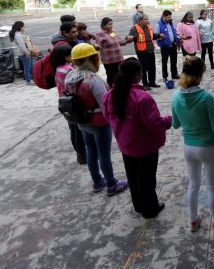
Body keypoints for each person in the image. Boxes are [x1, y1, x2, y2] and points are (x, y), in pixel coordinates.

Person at [102, 58, 172, 219]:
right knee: (147, 178)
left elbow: (107, 116)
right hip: (145, 146)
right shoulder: (142, 97)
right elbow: (155, 123)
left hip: (126, 145)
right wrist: (170, 119)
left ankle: (138, 206)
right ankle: (150, 209)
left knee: (133, 177)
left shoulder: (111, 94)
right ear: (136, 75)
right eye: (141, 72)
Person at [171, 56, 214, 234]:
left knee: (193, 184)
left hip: (189, 148)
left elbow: (175, 124)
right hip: (209, 147)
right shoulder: (206, 97)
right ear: (200, 75)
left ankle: (193, 220)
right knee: (212, 186)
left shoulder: (176, 96)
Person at [64, 43, 129, 197]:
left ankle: (97, 181)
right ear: (91, 59)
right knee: (103, 153)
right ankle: (112, 184)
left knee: (91, 150)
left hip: (82, 120)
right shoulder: (94, 80)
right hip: (99, 122)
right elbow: (106, 105)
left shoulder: (70, 76)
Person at [52, 44, 87, 165]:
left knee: (73, 129)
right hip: (73, 102)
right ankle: (82, 154)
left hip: (64, 102)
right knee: (79, 130)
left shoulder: (58, 68)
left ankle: (79, 153)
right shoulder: (69, 70)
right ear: (65, 57)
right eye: (70, 55)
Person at [94, 17, 134, 87]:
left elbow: (120, 42)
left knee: (119, 75)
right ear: (103, 25)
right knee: (111, 76)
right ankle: (111, 91)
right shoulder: (100, 33)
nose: (111, 26)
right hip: (109, 61)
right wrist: (96, 46)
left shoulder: (113, 32)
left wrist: (128, 41)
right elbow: (98, 45)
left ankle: (119, 88)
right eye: (109, 24)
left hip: (118, 58)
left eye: (112, 24)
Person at [129, 13, 162, 90]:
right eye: (145, 19)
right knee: (143, 68)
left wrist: (159, 35)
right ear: (140, 20)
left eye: (147, 19)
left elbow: (153, 36)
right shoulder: (134, 28)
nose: (147, 21)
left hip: (150, 50)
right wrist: (129, 38)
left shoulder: (148, 27)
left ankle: (152, 82)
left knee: (152, 67)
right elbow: (130, 36)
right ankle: (145, 84)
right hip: (141, 52)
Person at [9, 21, 39, 85]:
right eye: (23, 26)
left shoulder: (20, 34)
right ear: (20, 27)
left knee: (31, 67)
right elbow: (21, 44)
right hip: (24, 54)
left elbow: (27, 40)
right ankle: (28, 81)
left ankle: (33, 80)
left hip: (28, 52)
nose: (24, 27)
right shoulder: (18, 35)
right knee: (27, 68)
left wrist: (23, 32)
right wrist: (26, 52)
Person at [154, 10, 180, 82]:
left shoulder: (170, 22)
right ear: (164, 17)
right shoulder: (158, 24)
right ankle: (165, 76)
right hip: (164, 47)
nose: (170, 18)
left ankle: (174, 74)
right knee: (164, 62)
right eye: (168, 17)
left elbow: (173, 31)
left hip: (173, 45)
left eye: (170, 17)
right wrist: (160, 36)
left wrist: (177, 37)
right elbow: (155, 36)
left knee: (174, 60)